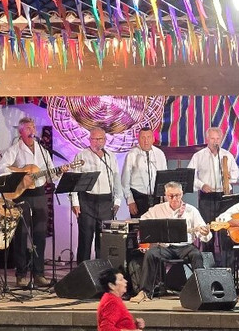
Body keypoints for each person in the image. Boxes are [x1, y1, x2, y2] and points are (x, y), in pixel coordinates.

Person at [0, 116, 56, 287]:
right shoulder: (15, 149)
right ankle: (21, 274)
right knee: (21, 235)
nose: (32, 131)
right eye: (28, 128)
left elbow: (51, 173)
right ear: (21, 132)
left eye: (33, 127)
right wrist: (21, 173)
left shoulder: (42, 150)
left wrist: (59, 172)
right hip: (21, 195)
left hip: (39, 194)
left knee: (40, 234)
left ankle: (39, 274)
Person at [132, 181, 212, 303]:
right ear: (165, 195)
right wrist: (155, 232)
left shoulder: (191, 210)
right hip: (165, 247)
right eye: (171, 196)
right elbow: (143, 220)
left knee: (196, 255)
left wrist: (205, 233)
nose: (174, 199)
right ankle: (145, 292)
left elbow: (204, 234)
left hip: (185, 247)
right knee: (150, 254)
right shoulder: (157, 209)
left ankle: (202, 291)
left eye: (177, 195)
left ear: (182, 194)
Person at [187, 126, 239, 266]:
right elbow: (190, 175)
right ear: (207, 139)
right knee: (207, 230)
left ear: (221, 139)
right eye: (212, 138)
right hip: (207, 197)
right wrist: (201, 185)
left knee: (225, 230)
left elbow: (237, 174)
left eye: (217, 138)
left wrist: (229, 178)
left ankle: (227, 265)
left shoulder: (227, 155)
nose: (215, 141)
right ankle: (208, 265)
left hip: (225, 197)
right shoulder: (199, 156)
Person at [72, 127, 123, 262]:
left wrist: (118, 200)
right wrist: (75, 202)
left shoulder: (110, 156)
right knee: (85, 239)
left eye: (100, 139)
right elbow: (74, 181)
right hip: (87, 201)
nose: (97, 142)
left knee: (103, 240)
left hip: (106, 202)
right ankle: (83, 270)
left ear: (105, 140)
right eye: (94, 139)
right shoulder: (82, 156)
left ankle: (102, 270)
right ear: (89, 140)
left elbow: (116, 179)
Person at [120, 127, 167, 217]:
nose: (146, 141)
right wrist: (130, 201)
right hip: (138, 198)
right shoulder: (132, 154)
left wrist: (165, 199)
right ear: (138, 139)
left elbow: (164, 178)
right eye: (143, 138)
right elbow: (124, 181)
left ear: (153, 139)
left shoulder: (159, 154)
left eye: (148, 137)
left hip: (156, 198)